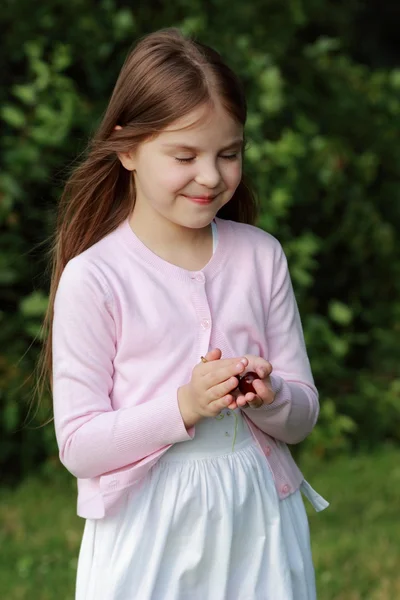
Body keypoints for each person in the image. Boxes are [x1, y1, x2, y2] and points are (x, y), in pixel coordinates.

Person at [45, 27, 328, 600]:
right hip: (150, 527)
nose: (211, 175)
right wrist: (185, 405)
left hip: (256, 516)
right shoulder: (96, 278)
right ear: (127, 148)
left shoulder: (260, 256)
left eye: (229, 154)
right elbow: (79, 446)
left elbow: (302, 416)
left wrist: (273, 399)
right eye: (184, 155)